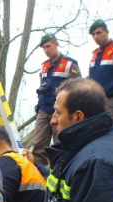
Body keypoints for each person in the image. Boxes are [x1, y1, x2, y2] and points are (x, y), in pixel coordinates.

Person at [33, 33, 80, 166]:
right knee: (38, 143)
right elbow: (41, 85)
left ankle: (61, 171)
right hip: (44, 108)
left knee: (60, 142)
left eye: (48, 46)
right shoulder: (44, 66)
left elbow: (76, 88)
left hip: (61, 110)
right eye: (44, 48)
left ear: (56, 44)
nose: (46, 50)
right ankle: (38, 176)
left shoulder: (69, 64)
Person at [89, 19, 113, 137]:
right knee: (98, 133)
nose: (96, 36)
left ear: (107, 32)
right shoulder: (94, 54)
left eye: (99, 33)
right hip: (96, 100)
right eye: (93, 34)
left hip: (112, 98)